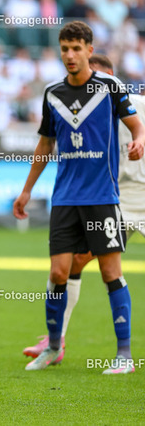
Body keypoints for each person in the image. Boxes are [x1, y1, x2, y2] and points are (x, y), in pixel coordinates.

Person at [13, 22, 145, 373]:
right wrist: (26, 189)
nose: (70, 55)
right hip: (65, 198)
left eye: (76, 48)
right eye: (65, 48)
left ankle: (124, 355)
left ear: (89, 50)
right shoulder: (52, 93)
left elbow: (136, 125)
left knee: (110, 272)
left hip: (102, 196)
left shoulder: (110, 87)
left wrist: (139, 140)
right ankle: (53, 347)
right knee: (59, 272)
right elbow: (45, 144)